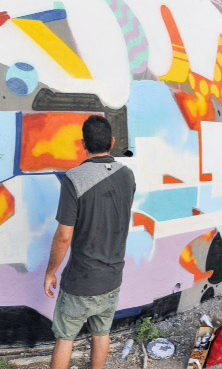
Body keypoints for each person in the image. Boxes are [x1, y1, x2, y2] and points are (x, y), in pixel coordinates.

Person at [44, 115, 136, 369]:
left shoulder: (74, 179)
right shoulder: (127, 176)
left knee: (65, 338)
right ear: (112, 142)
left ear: (83, 144)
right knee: (102, 333)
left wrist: (51, 272)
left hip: (80, 281)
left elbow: (64, 235)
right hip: (112, 277)